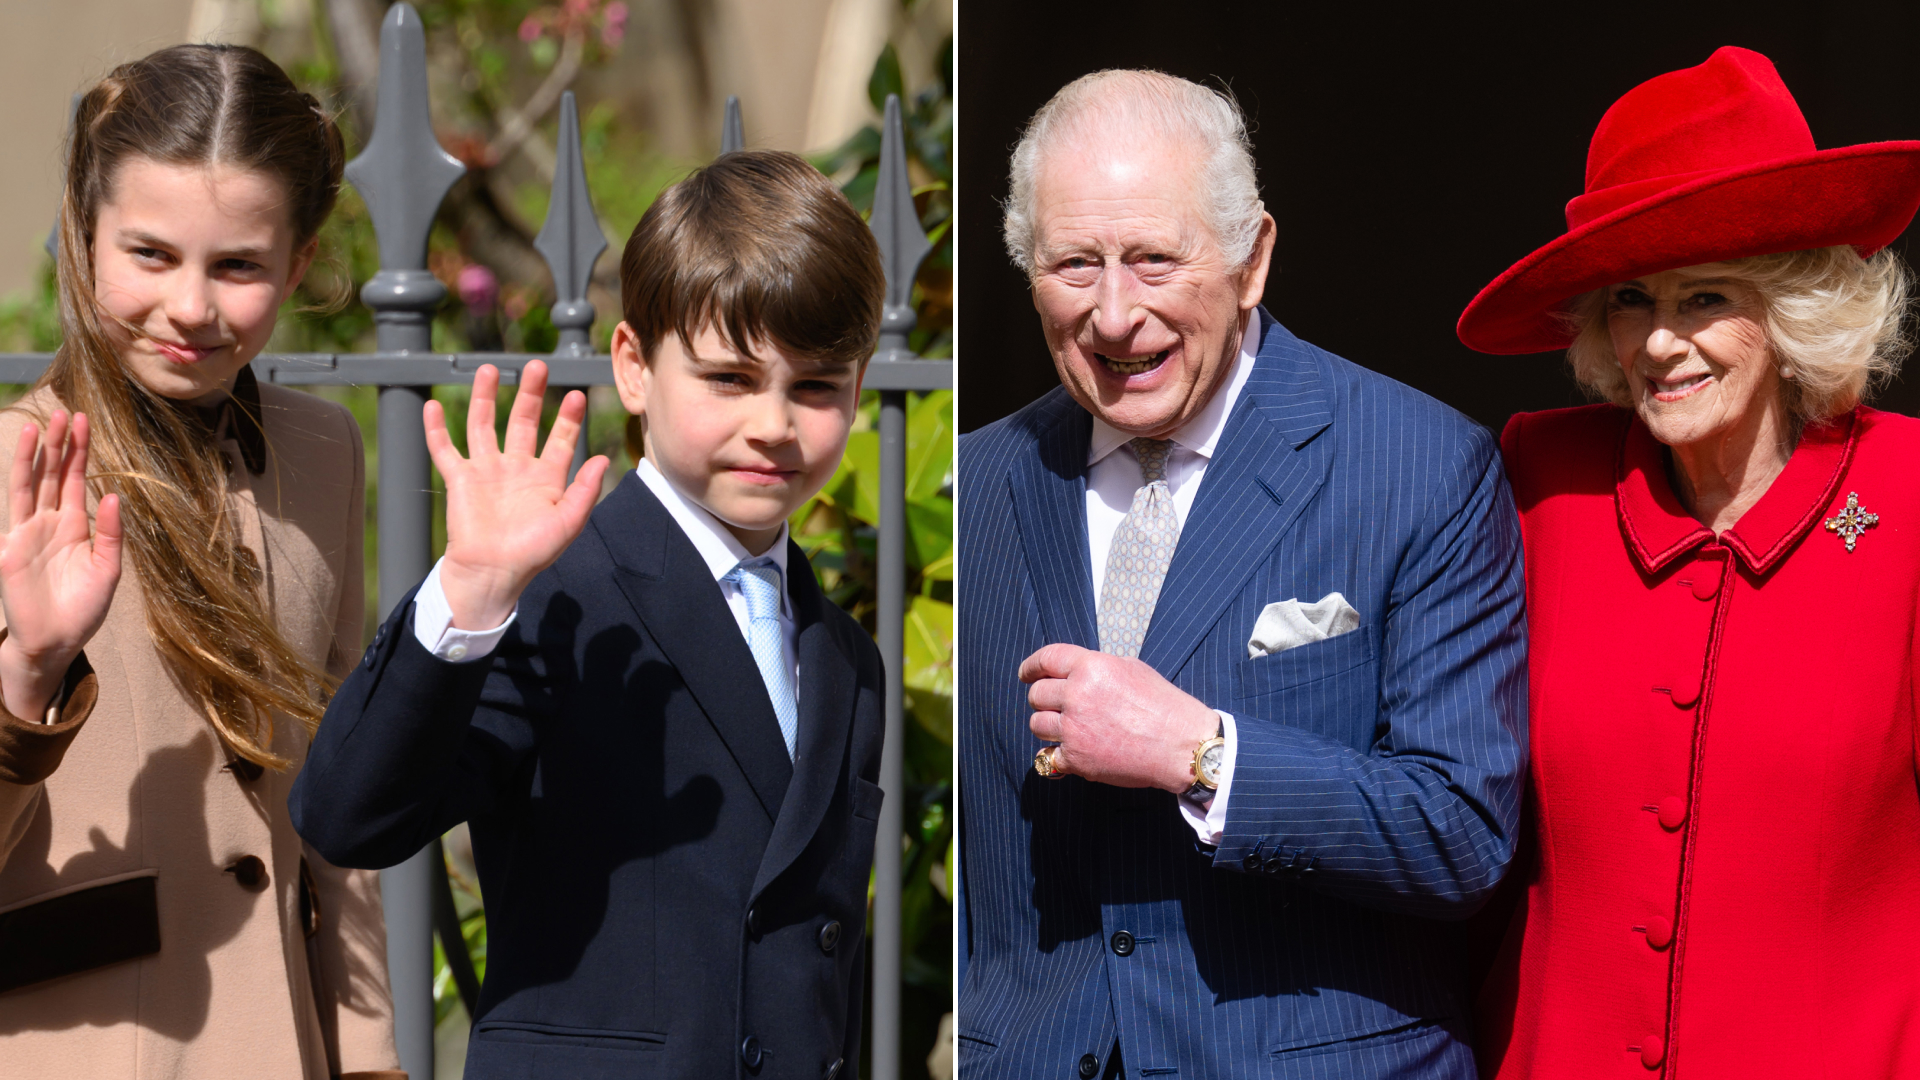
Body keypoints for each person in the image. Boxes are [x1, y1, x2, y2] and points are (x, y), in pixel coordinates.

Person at [957, 70, 1528, 1079]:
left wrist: (1204, 754)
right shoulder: (985, 483)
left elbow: (1462, 833)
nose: (1114, 313)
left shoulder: (1421, 466)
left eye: (1154, 260)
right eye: (1075, 264)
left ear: (1251, 258)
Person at [291, 151, 886, 1080]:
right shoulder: (552, 594)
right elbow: (346, 816)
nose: (775, 423)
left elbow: (821, 962)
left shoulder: (847, 656)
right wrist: (470, 592)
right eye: (729, 378)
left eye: (814, 386)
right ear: (634, 368)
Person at [1457, 46, 1920, 1079]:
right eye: (1631, 299)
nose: (1660, 344)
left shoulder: (1910, 495)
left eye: (1703, 298)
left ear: (1793, 305)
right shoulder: (1538, 482)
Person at [0, 45, 400, 1080]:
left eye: (237, 266)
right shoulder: (10, 470)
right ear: (82, 241)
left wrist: (366, 1058)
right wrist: (26, 676)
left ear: (299, 264)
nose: (191, 309)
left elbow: (331, 791)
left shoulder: (323, 451)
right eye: (150, 254)